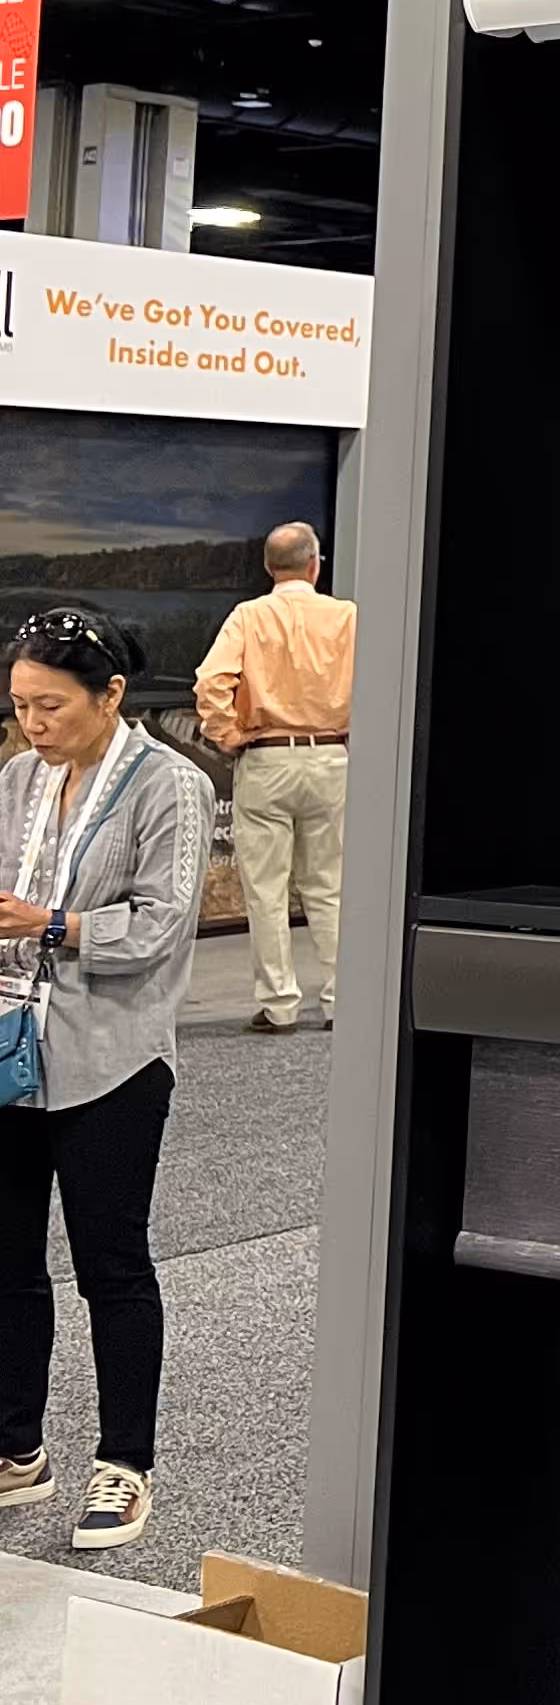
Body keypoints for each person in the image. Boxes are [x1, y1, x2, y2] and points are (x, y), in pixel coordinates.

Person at [0, 610, 213, 1554]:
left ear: (110, 695)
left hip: (112, 1058)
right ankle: (17, 1452)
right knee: (7, 1264)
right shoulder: (18, 778)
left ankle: (126, 1467)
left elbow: (164, 925)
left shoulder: (171, 784)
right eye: (18, 706)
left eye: (50, 705)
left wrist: (49, 925)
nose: (32, 725)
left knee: (111, 1267)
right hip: (11, 1045)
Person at [195, 521, 354, 1031]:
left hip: (266, 758)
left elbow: (210, 681)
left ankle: (280, 1006)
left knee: (265, 891)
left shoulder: (249, 616)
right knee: (330, 886)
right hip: (332, 758)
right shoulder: (347, 616)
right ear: (315, 564)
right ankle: (341, 1002)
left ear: (268, 567)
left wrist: (227, 733)